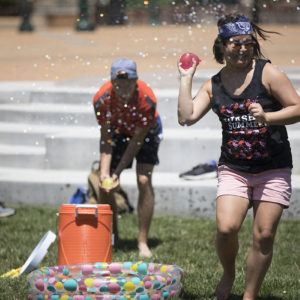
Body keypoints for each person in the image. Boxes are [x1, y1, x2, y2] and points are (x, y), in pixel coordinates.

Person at [177, 13, 300, 300]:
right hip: (234, 167)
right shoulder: (215, 84)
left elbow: (297, 107)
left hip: (273, 167)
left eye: (248, 43)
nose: (243, 49)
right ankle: (229, 272)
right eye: (235, 44)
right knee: (226, 227)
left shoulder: (268, 73)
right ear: (222, 46)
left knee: (264, 235)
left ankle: (249, 295)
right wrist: (186, 79)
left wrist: (268, 116)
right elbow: (187, 116)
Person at [93, 58, 162, 258]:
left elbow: (137, 141)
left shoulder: (147, 100)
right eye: (118, 83)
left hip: (145, 133)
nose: (123, 88)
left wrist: (117, 172)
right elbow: (106, 138)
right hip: (119, 131)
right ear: (111, 82)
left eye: (128, 83)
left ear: (136, 81)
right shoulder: (102, 99)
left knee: (144, 179)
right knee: (104, 184)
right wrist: (106, 173)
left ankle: (142, 241)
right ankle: (112, 238)